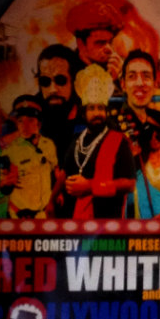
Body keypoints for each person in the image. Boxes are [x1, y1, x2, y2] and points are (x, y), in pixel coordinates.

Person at [60, 67, 136, 219]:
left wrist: (89, 187)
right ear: (84, 113)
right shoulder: (76, 140)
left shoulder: (118, 140)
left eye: (101, 108)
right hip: (73, 221)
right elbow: (64, 172)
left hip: (106, 223)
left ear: (106, 111)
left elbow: (130, 184)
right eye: (92, 108)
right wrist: (51, 200)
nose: (97, 113)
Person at [109, 49, 160, 164]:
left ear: (155, 84)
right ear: (123, 84)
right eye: (132, 76)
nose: (140, 83)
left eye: (146, 76)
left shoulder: (159, 121)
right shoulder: (112, 120)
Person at [3, 95, 61, 219]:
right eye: (20, 121)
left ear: (39, 124)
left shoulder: (48, 144)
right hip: (20, 215)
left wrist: (58, 194)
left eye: (30, 120)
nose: (25, 126)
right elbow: (2, 184)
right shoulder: (9, 151)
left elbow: (55, 169)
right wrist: (5, 183)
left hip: (44, 213)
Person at [33, 43, 82, 162]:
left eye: (60, 80)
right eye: (45, 81)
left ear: (74, 81)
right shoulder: (28, 113)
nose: (52, 89)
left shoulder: (89, 115)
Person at [128, 116, 160, 219]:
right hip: (138, 218)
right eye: (151, 135)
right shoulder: (138, 157)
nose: (153, 140)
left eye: (159, 137)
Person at [65, 0, 126, 80]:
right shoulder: (66, 70)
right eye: (100, 42)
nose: (109, 49)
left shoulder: (122, 66)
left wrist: (121, 79)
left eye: (110, 42)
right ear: (81, 45)